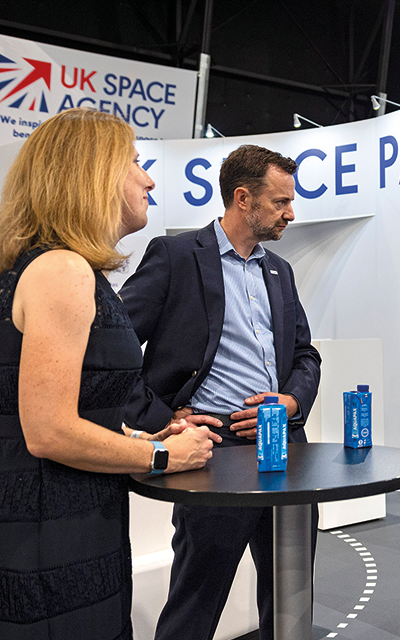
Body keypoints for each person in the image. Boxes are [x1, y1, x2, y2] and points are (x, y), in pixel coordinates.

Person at [0, 108, 217, 640]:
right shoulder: (63, 270)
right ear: (92, 174)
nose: (147, 179)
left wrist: (137, 435)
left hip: (67, 526)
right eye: (136, 164)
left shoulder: (53, 267)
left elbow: (66, 407)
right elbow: (47, 431)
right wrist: (162, 454)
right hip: (51, 542)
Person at [120, 144, 322, 640]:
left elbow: (305, 356)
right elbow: (116, 347)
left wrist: (291, 401)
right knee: (197, 598)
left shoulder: (280, 270)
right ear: (242, 199)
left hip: (285, 451)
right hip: (213, 453)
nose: (290, 213)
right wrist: (164, 418)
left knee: (291, 597)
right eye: (280, 202)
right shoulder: (175, 255)